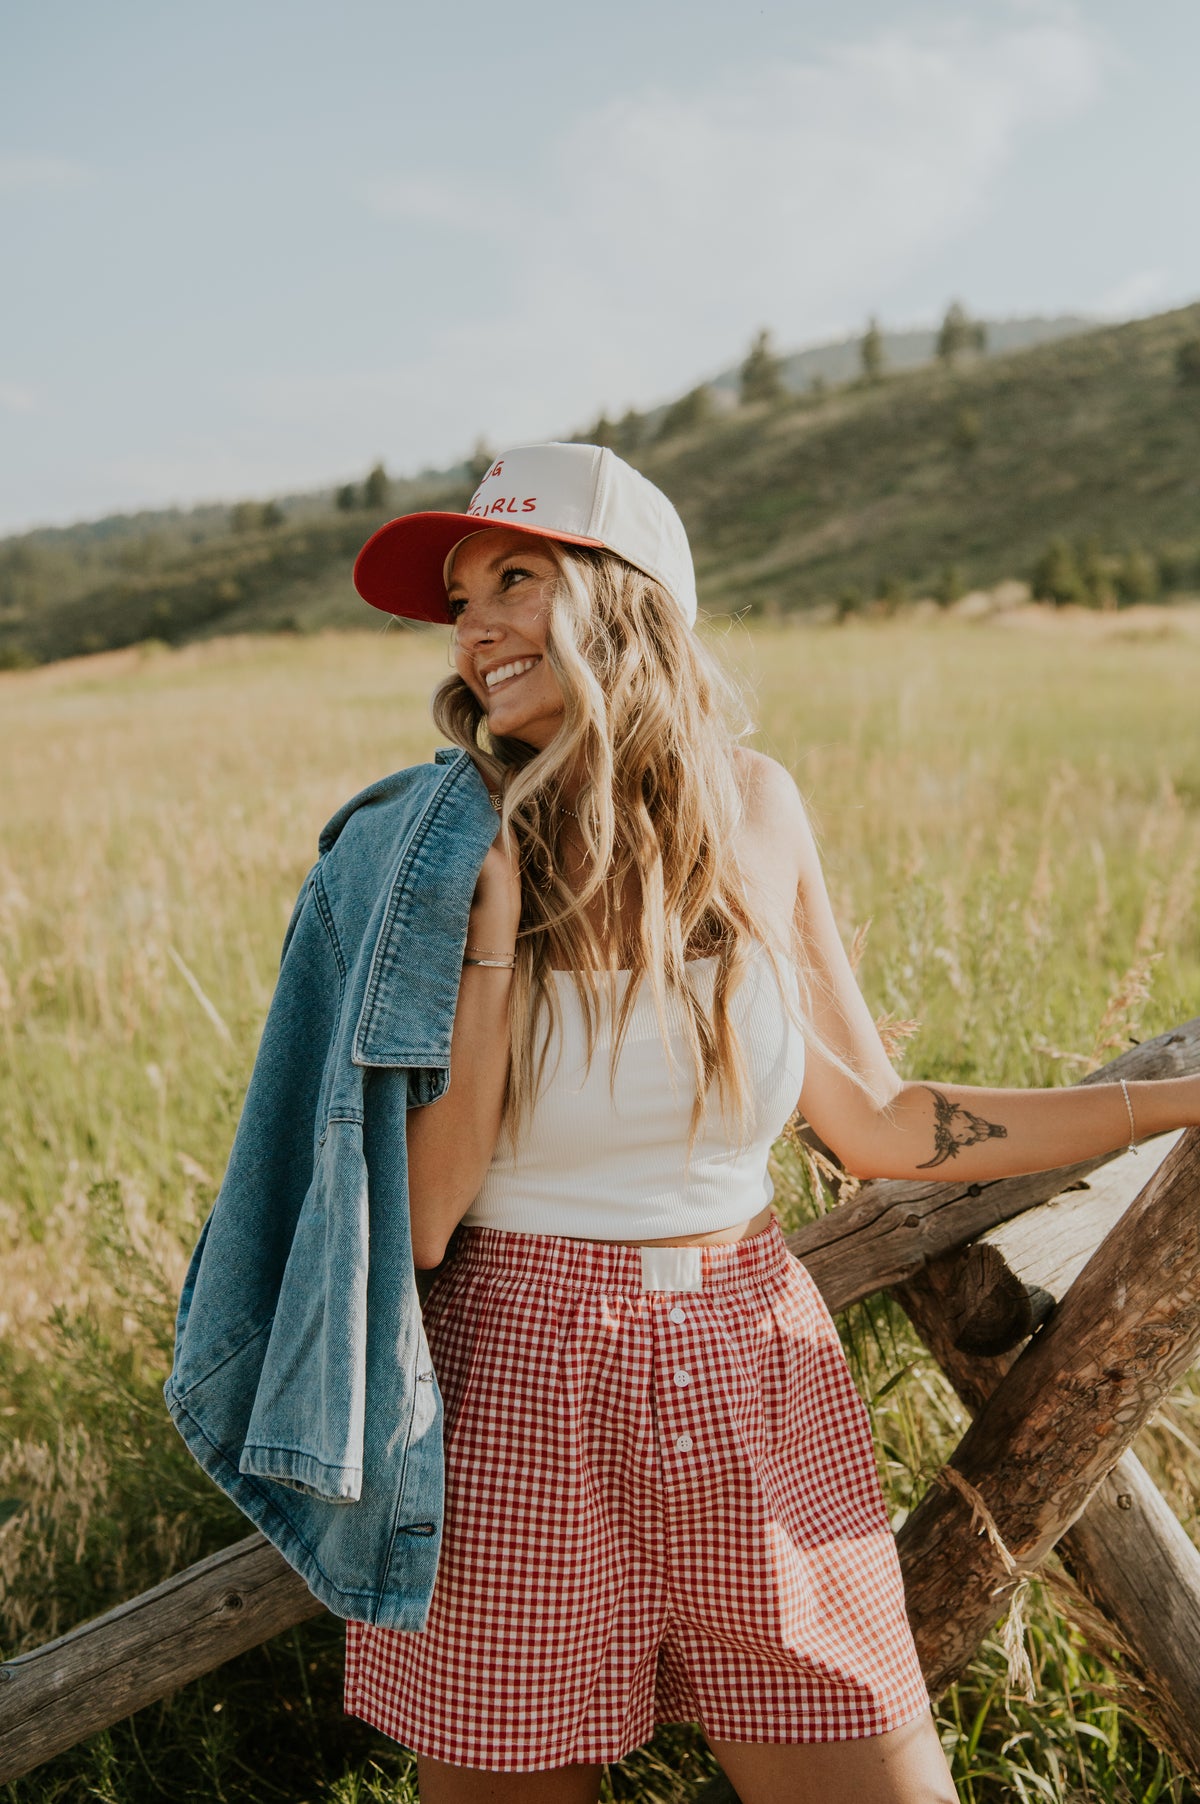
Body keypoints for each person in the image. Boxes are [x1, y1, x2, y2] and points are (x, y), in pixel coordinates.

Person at [168, 442, 1199, 1804]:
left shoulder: (758, 809)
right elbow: (417, 1217)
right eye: (462, 597)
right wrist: (485, 947)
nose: (475, 627)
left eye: (516, 579)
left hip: (754, 1361)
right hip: (513, 1384)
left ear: (629, 599)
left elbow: (880, 1122)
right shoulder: (426, 849)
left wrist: (1168, 1101)